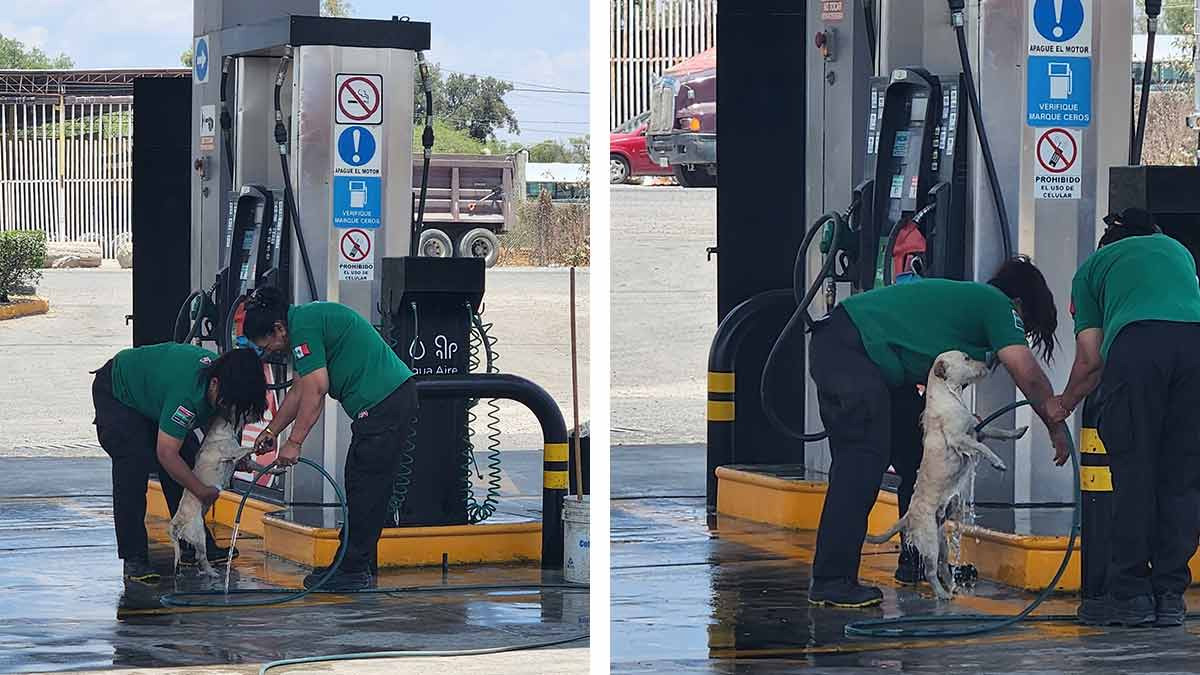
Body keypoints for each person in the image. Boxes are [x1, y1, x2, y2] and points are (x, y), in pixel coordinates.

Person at [807, 256, 1072, 608]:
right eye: (1025, 325)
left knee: (918, 459)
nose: (1019, 332)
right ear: (1019, 304)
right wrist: (1056, 426)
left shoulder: (966, 308)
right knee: (861, 464)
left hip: (868, 358)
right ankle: (832, 580)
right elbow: (1028, 373)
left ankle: (917, 561)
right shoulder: (997, 304)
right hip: (852, 351)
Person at [1050, 208, 1200, 628]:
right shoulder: (1179, 251)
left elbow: (1090, 360)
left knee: (1135, 471)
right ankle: (1170, 595)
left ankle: (1130, 593)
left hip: (1138, 350)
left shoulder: (1092, 268)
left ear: (1107, 244)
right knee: (1183, 478)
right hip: (1196, 350)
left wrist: (1062, 404)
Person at [242, 287, 418, 591]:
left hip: (384, 402)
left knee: (365, 486)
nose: (268, 352)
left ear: (279, 329)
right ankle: (354, 564)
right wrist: (272, 432)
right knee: (363, 485)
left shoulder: (305, 326)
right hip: (386, 402)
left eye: (266, 345)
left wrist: (295, 442)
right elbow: (298, 390)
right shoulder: (303, 325)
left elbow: (316, 388)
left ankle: (352, 570)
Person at [92, 344, 266, 583]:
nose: (226, 410)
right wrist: (200, 491)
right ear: (214, 384)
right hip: (120, 391)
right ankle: (134, 558)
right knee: (133, 466)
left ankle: (192, 545)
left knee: (188, 461)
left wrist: (236, 457)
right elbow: (166, 454)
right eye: (225, 404)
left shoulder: (228, 379)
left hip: (156, 396)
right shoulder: (187, 397)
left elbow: (221, 433)